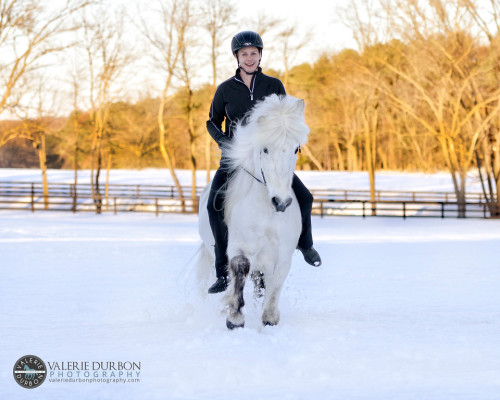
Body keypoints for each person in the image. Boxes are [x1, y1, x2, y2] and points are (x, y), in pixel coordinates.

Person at [206, 31, 321, 294]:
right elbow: (212, 121)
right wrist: (225, 143)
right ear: (236, 57)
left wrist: (292, 142)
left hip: (269, 158)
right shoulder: (225, 89)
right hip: (237, 158)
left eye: (253, 53)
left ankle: (306, 244)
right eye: (244, 54)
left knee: (305, 197)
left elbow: (285, 118)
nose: (249, 58)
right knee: (215, 205)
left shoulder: (274, 85)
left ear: (260, 55)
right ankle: (222, 271)